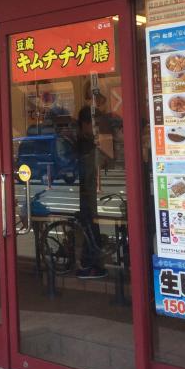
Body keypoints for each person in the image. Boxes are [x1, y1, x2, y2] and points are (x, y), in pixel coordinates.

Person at [75, 79, 121, 279]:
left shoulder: (87, 139)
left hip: (88, 187)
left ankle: (90, 262)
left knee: (90, 223)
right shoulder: (85, 142)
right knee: (89, 223)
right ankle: (89, 264)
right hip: (86, 188)